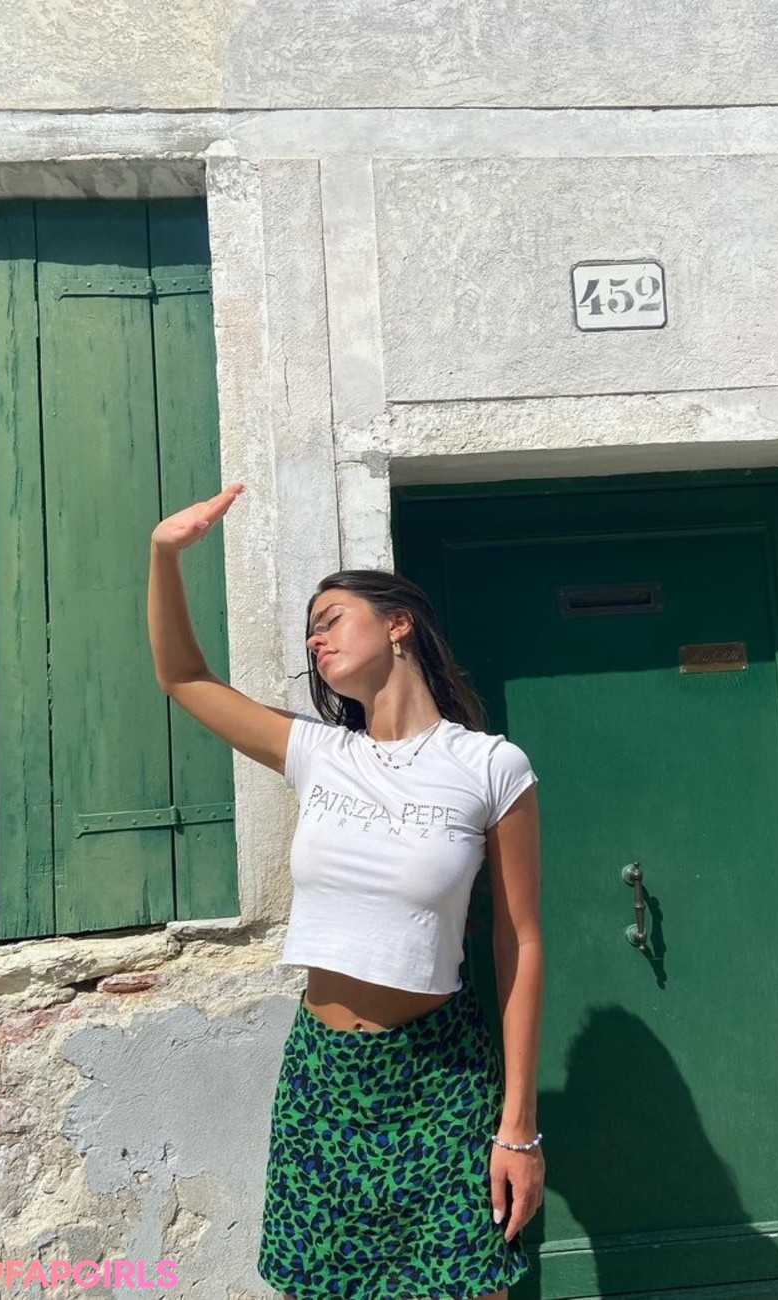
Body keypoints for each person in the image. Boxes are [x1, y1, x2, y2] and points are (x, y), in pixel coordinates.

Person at [147, 483, 545, 1300]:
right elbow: (183, 677)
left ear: (399, 624)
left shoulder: (490, 766)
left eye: (331, 618)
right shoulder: (320, 754)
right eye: (309, 631)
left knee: (469, 1287)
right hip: (324, 1077)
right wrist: (164, 556)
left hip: (441, 1077)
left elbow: (521, 940)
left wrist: (519, 1127)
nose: (315, 638)